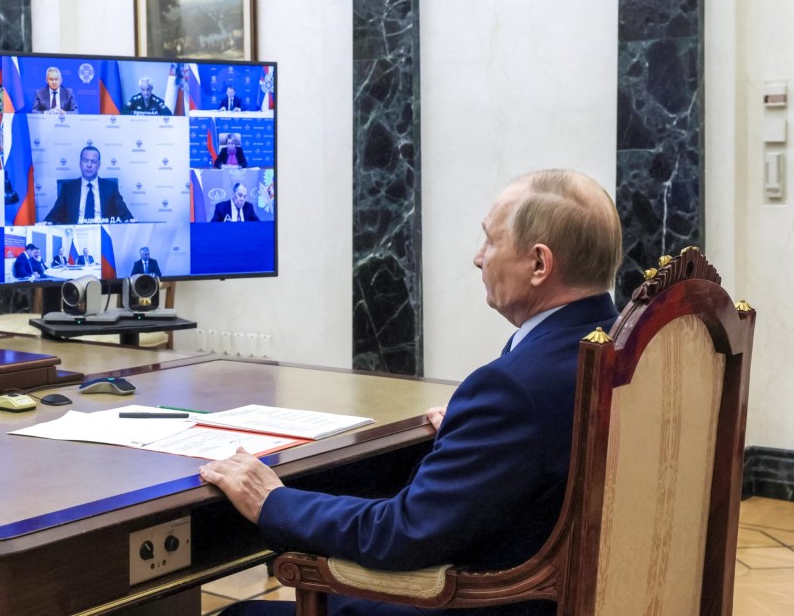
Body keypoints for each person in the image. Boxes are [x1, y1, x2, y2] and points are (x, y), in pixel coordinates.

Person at [199, 169, 623, 616]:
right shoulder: (623, 349)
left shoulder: (515, 390)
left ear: (539, 264)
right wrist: (476, 437)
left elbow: (402, 535)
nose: (478, 258)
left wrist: (273, 500)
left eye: (491, 241)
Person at [43, 146, 134, 225]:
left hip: (103, 233)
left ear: (99, 165)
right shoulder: (68, 188)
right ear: (80, 164)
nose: (89, 165)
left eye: (93, 161)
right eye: (85, 160)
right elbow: (54, 215)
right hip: (75, 234)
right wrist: (47, 223)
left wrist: (129, 220)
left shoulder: (110, 187)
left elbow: (125, 214)